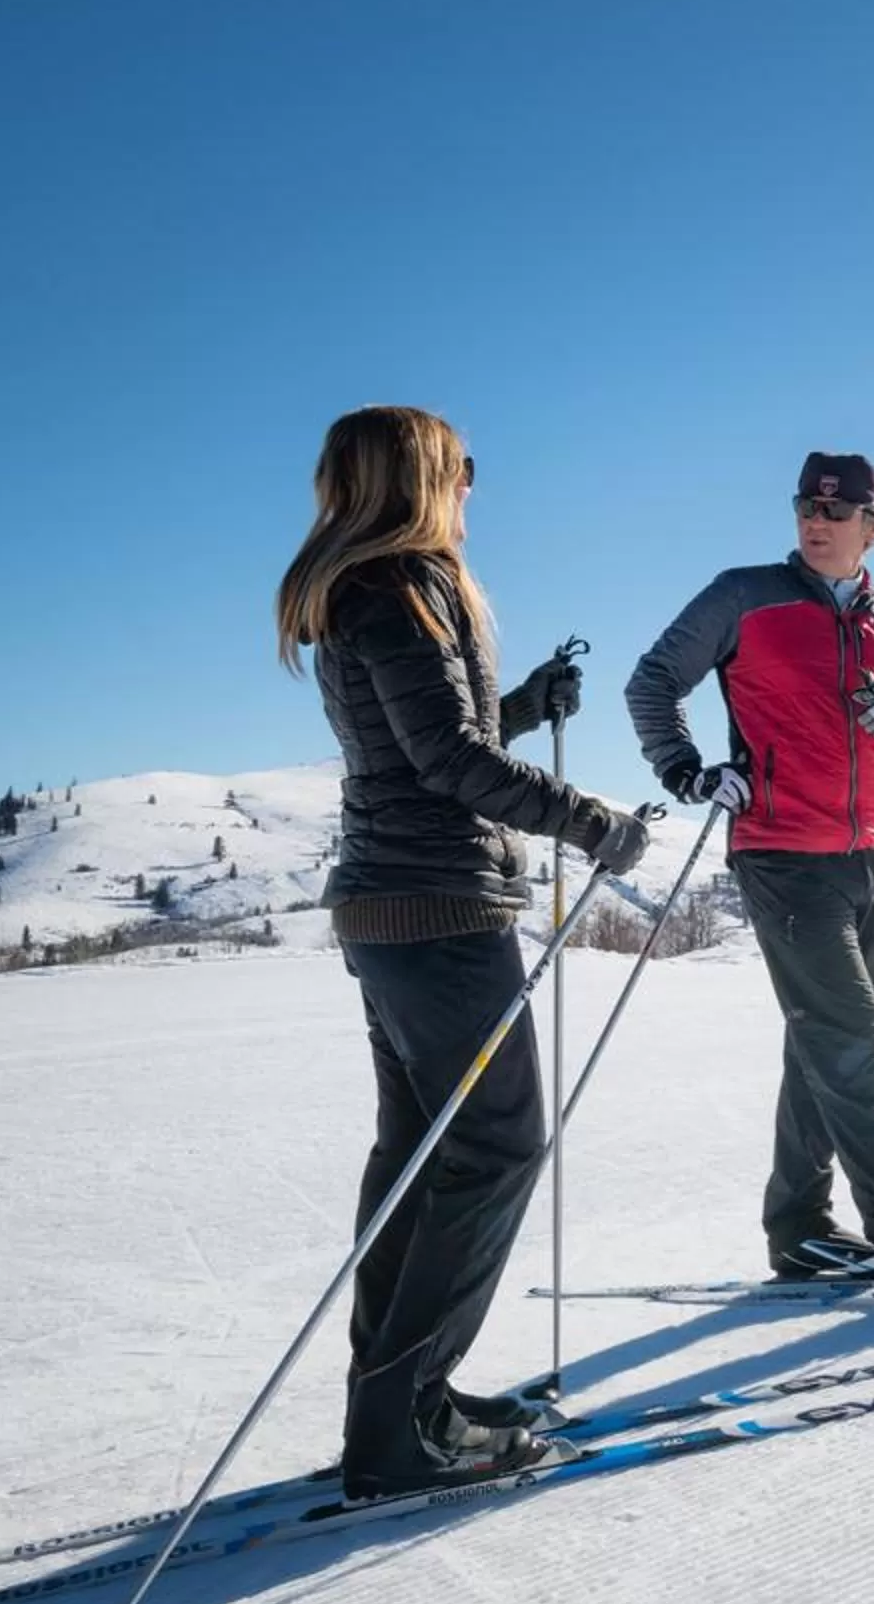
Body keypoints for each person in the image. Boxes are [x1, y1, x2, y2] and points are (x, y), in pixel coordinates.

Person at [274, 405, 652, 1498]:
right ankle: (405, 1423)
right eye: (464, 467)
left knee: (421, 1155)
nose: (476, 485)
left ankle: (399, 1404)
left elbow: (424, 743)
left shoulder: (375, 587)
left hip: (395, 907)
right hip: (435, 908)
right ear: (421, 475)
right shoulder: (399, 586)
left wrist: (523, 703)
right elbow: (443, 759)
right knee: (494, 1144)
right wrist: (592, 823)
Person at [625, 451, 874, 1298]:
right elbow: (653, 683)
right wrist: (688, 770)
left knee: (821, 1039)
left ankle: (802, 1228)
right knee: (851, 1040)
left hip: (870, 856)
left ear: (873, 528)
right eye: (807, 505)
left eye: (837, 512)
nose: (817, 520)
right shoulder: (744, 596)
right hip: (780, 852)